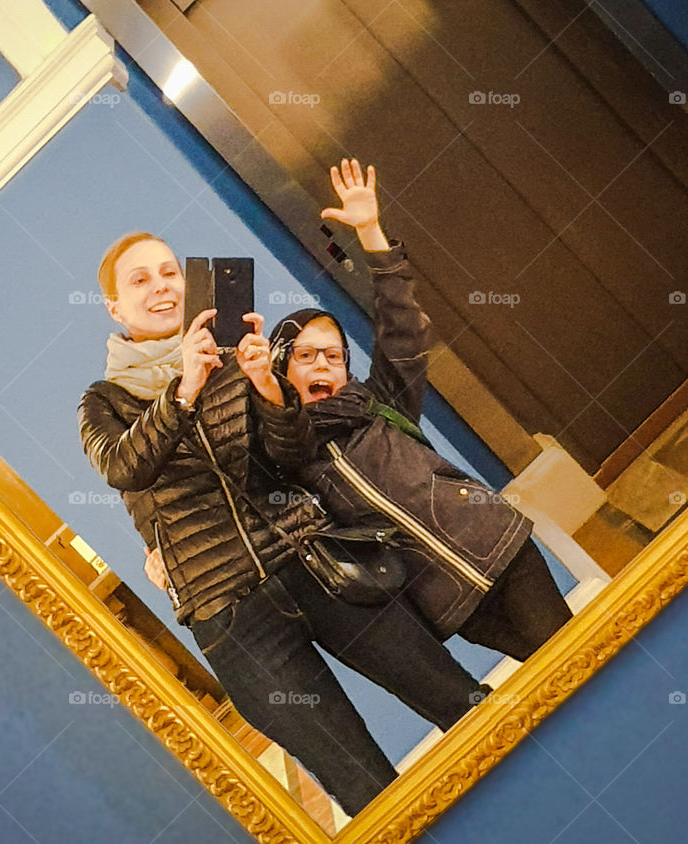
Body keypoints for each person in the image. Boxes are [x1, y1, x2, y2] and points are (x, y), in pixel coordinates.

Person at [76, 231, 489, 816]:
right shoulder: (102, 401)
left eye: (170, 272)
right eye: (139, 280)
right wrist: (185, 387)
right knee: (364, 785)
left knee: (460, 699)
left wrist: (268, 387)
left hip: (314, 563)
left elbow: (292, 457)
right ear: (115, 308)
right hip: (229, 614)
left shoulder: (236, 358)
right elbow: (126, 467)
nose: (161, 287)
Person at [267, 158, 574, 661]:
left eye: (335, 355)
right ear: (282, 370)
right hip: (448, 605)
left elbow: (403, 328)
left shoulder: (378, 404)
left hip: (499, 546)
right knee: (555, 683)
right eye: (306, 355)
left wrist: (370, 232)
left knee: (582, 659)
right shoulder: (287, 457)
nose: (324, 363)